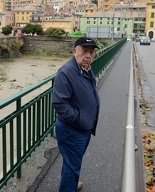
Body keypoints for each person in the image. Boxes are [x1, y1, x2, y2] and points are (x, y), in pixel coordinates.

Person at [52, 37, 100, 192]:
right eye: (84, 51)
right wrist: (80, 119)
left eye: (91, 52)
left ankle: (71, 183)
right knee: (73, 165)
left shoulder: (85, 68)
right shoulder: (65, 72)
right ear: (75, 52)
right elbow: (60, 104)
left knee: (72, 163)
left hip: (82, 128)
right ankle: (68, 186)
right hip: (73, 129)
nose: (88, 55)